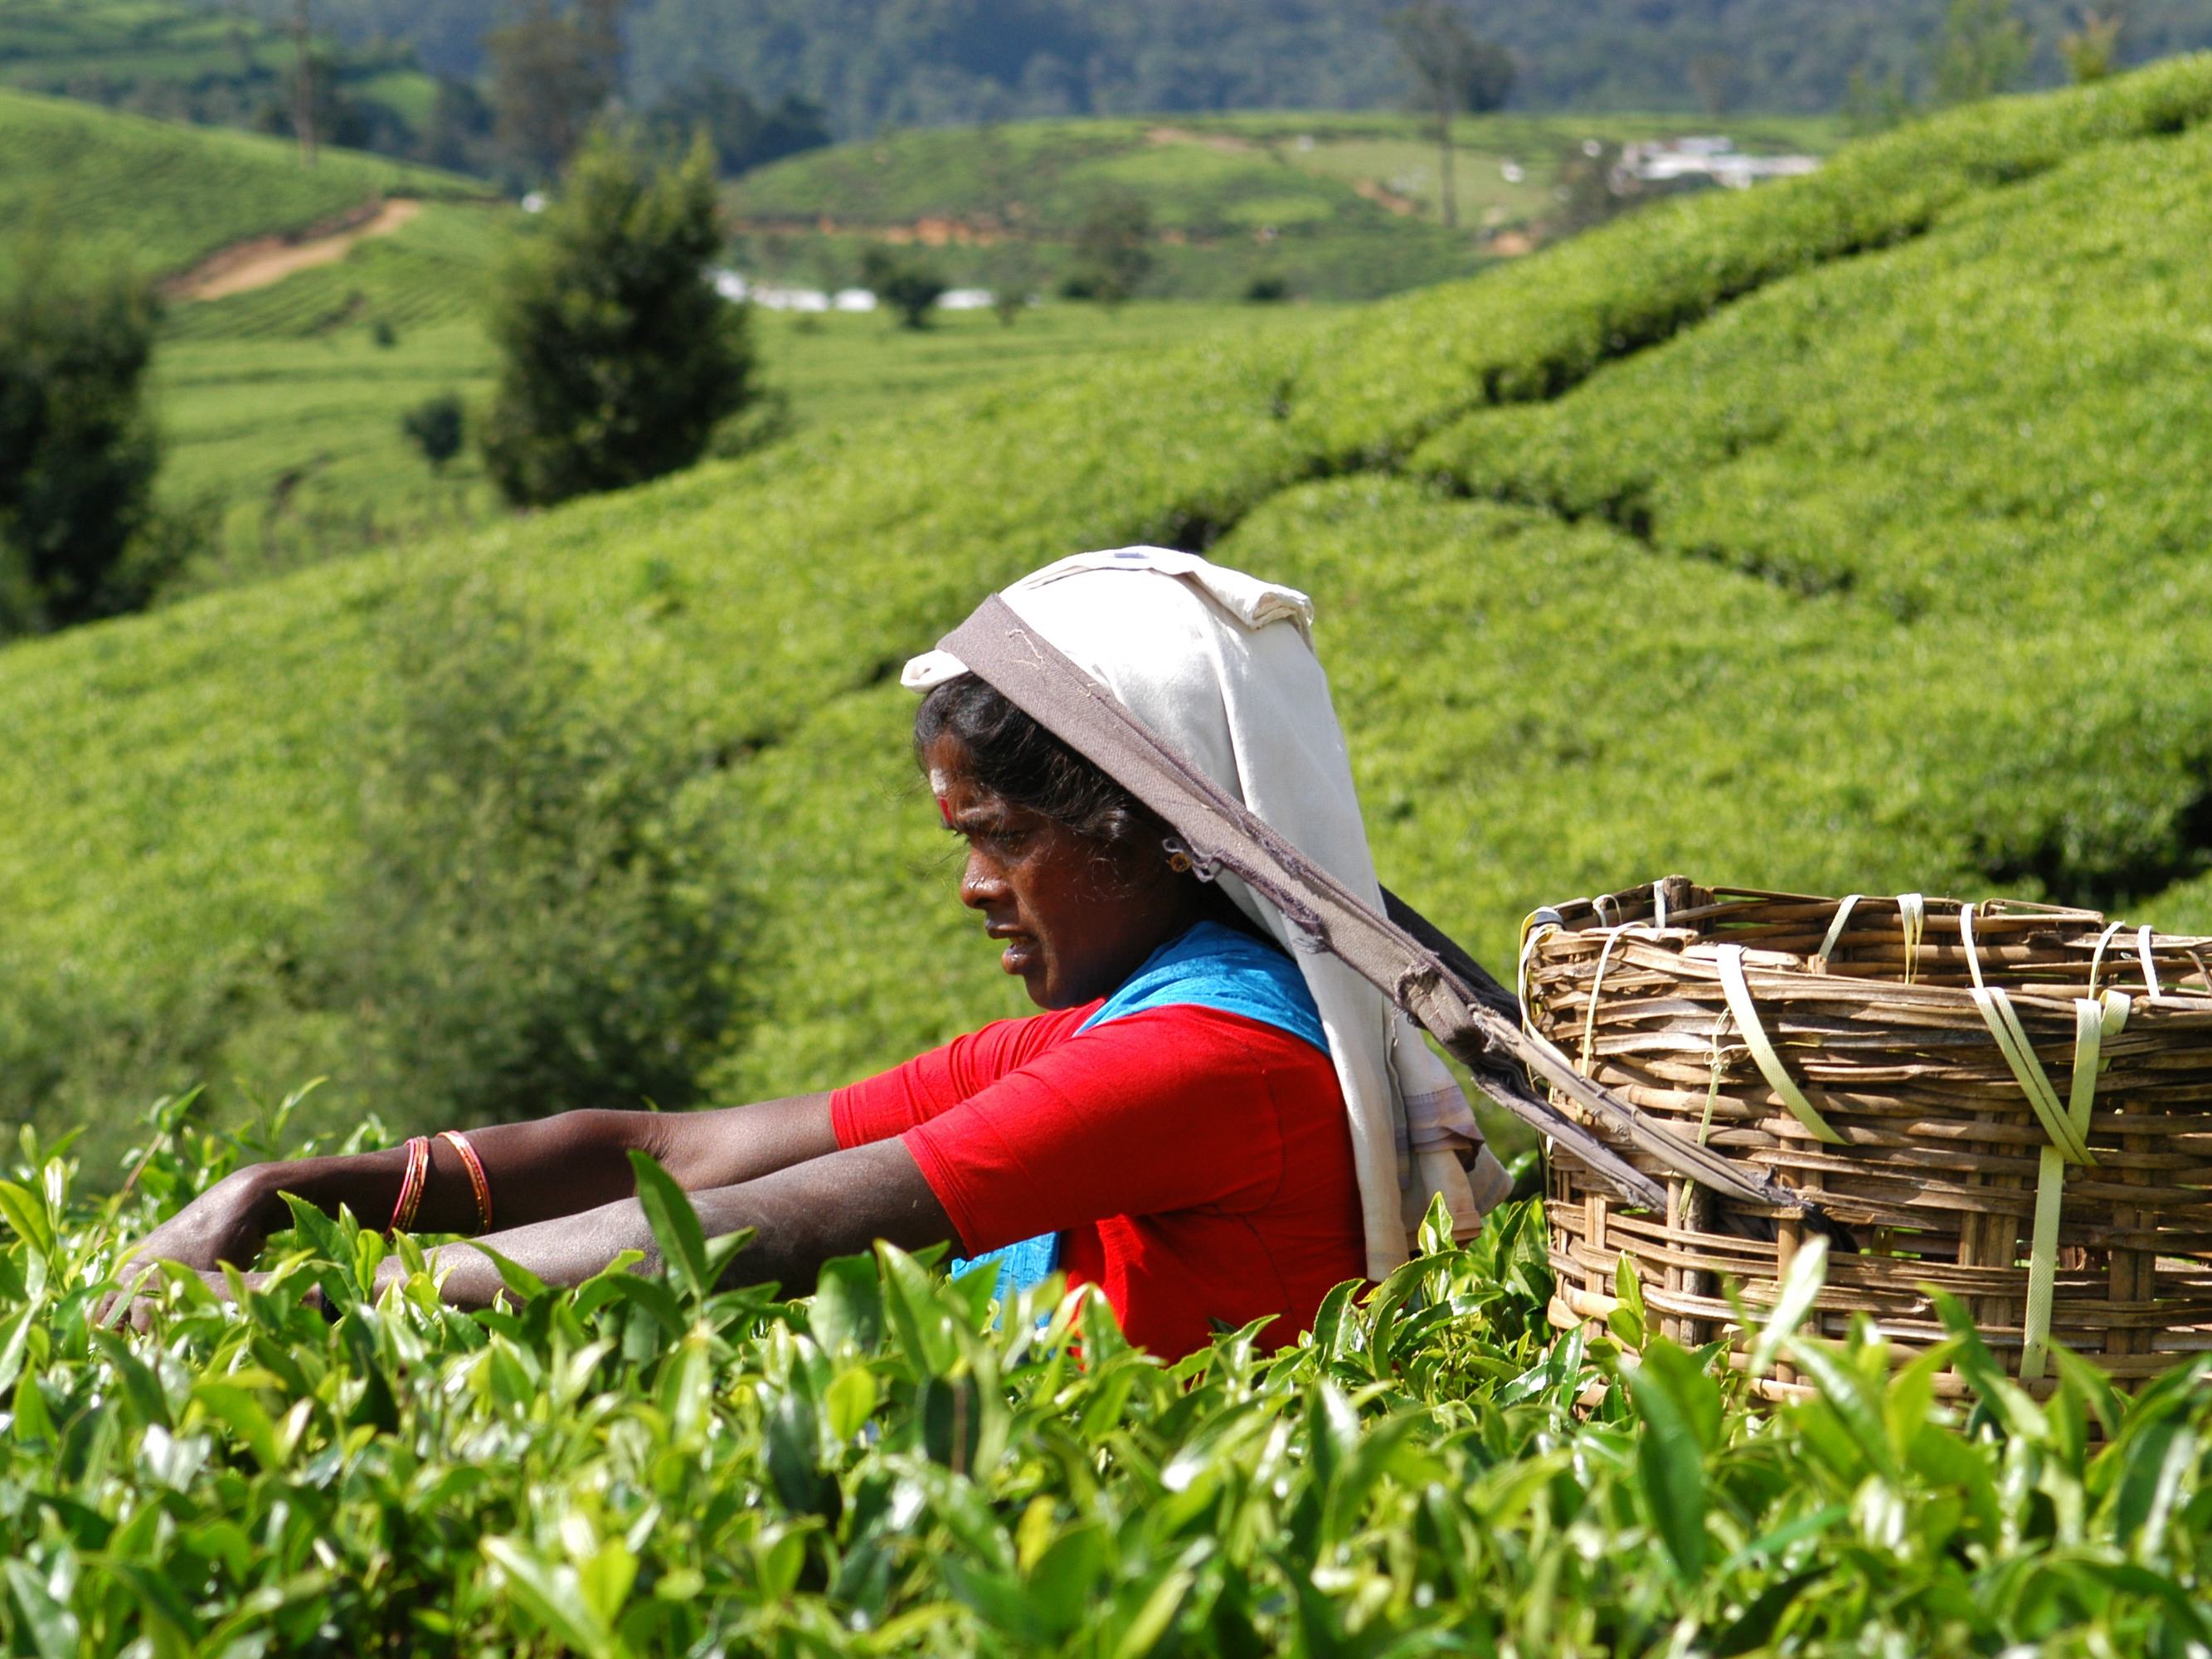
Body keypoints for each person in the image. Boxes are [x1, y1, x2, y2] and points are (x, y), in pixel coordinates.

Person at [109, 549, 1507, 1355]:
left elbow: (757, 1230)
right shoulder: (1136, 1020)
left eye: (1002, 835)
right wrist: (314, 1189)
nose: (972, 887)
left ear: (1156, 835)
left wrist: (329, 1292)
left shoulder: (1202, 1059)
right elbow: (685, 1153)